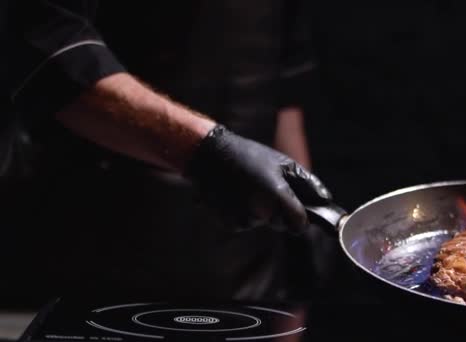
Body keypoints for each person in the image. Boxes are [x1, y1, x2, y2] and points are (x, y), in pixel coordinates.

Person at [3, 0, 334, 304]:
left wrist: (301, 226)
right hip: (102, 230)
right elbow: (49, 48)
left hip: (245, 254)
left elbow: (286, 76)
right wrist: (208, 148)